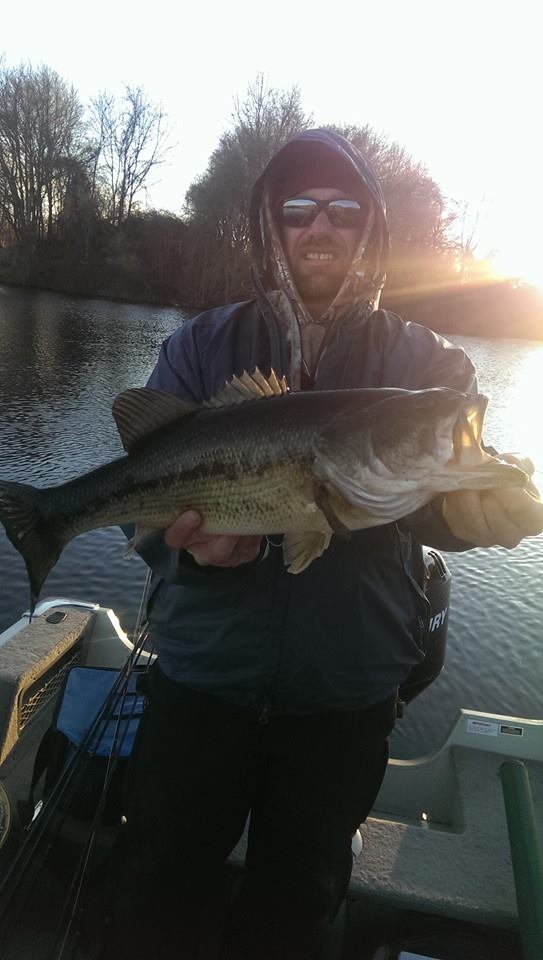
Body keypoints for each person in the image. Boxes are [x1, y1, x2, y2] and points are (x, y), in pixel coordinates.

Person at [102, 129, 543, 960]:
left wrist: (484, 512)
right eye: (298, 210)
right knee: (156, 893)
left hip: (344, 700)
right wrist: (185, 548)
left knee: (296, 914)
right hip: (203, 682)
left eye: (342, 211)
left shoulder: (427, 365)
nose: (320, 228)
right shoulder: (200, 347)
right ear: (273, 227)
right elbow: (141, 502)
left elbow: (444, 490)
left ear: (368, 230)